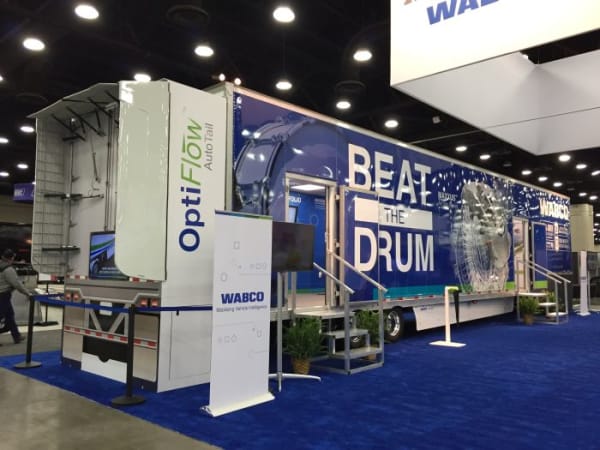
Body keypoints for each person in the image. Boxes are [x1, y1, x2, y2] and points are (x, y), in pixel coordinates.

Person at [0, 248, 31, 344]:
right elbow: (17, 284)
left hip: (3, 295)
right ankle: (16, 335)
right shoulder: (8, 269)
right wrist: (28, 293)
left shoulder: (1, 264)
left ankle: (16, 336)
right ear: (11, 258)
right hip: (3, 295)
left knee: (9, 316)